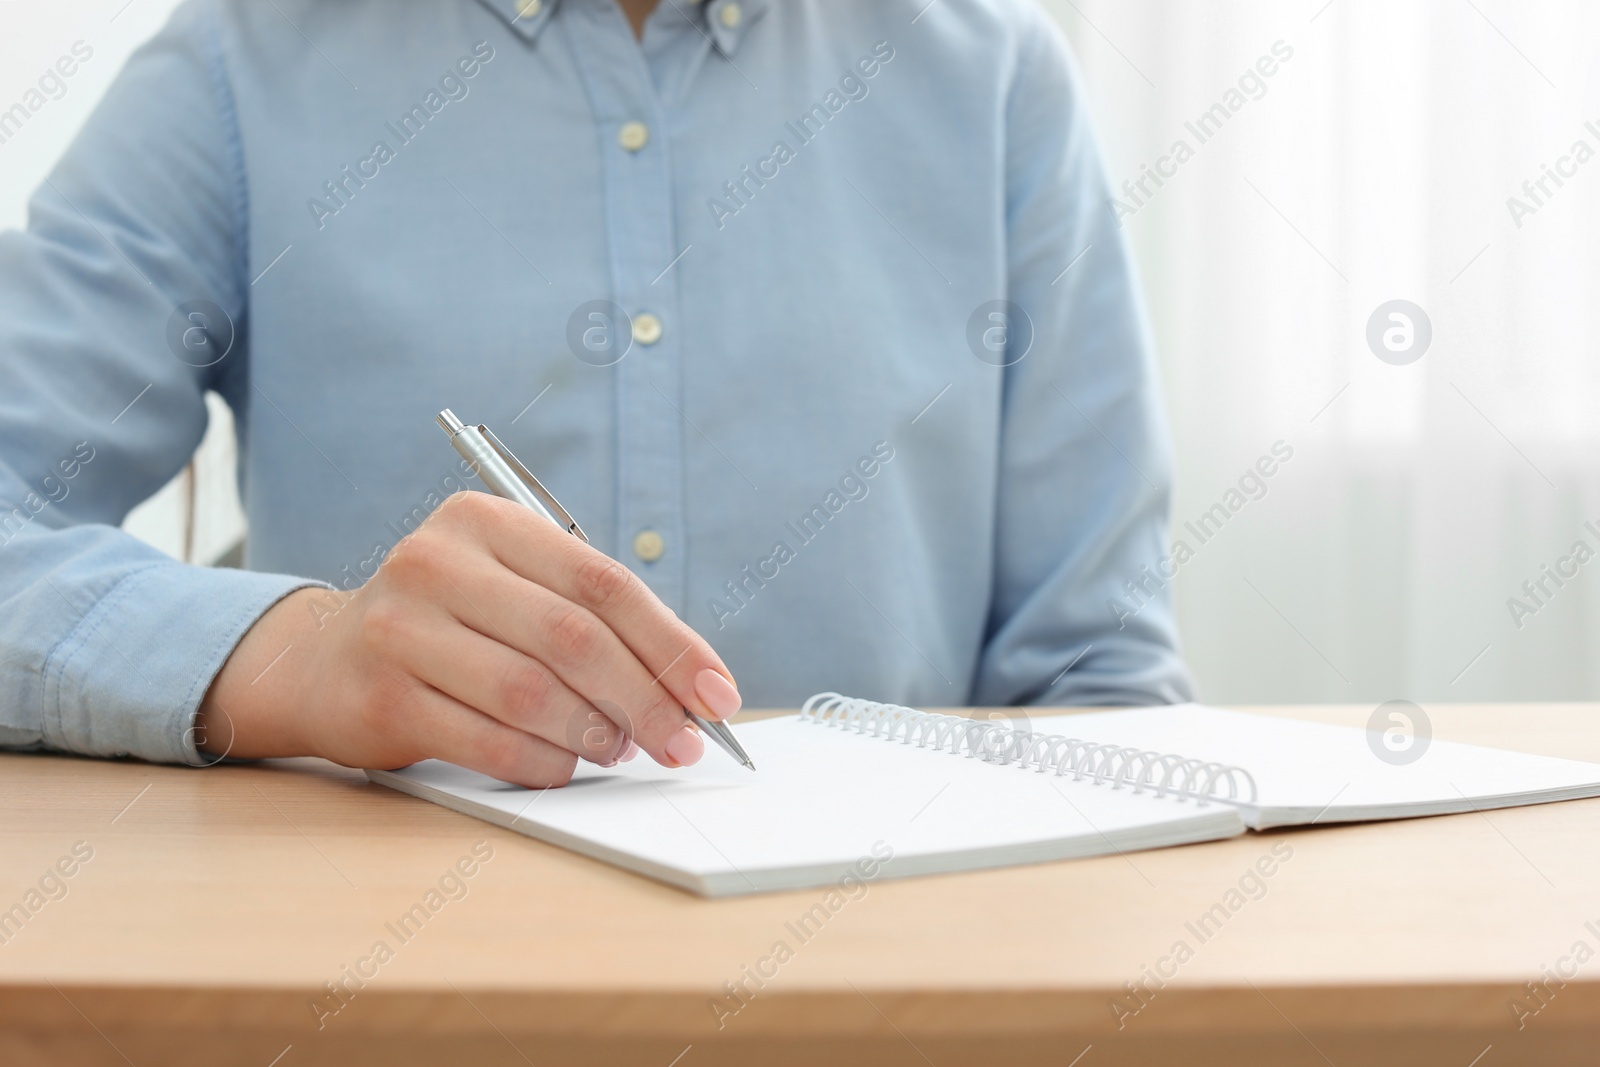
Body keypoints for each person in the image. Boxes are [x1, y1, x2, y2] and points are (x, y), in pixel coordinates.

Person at [0, 0, 1193, 788]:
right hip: (386, 987)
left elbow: (1099, 682)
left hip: (888, 981)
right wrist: (292, 657)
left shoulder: (994, 73)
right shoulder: (240, 61)